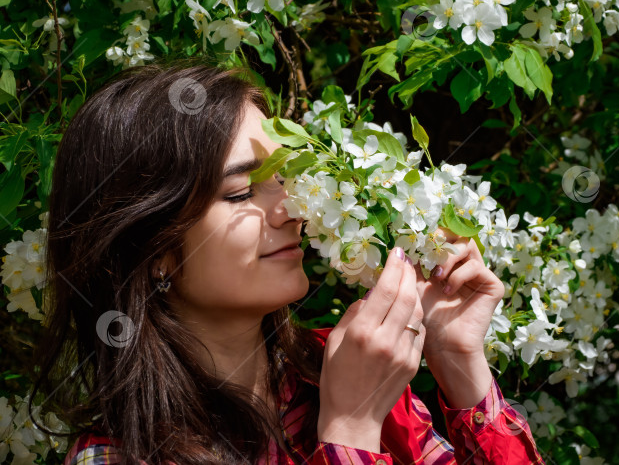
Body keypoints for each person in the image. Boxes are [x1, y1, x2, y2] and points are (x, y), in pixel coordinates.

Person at [30, 60, 544, 464]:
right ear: (154, 250)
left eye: (284, 180)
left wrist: (457, 362)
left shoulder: (341, 372)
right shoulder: (118, 457)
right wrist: (350, 431)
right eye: (239, 193)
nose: (292, 210)